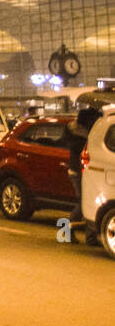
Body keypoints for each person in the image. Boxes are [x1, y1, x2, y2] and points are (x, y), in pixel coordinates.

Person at [61, 105, 101, 244]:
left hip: (82, 170)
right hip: (78, 171)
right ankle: (65, 231)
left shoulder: (74, 130)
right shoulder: (80, 135)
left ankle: (90, 237)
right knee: (84, 202)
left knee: (90, 202)